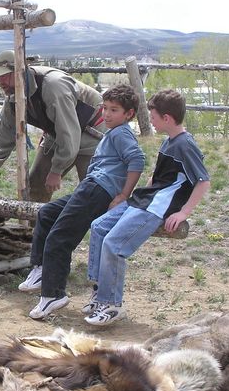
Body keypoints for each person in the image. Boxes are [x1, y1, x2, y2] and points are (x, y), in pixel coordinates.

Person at [84, 89, 210, 326]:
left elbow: (203, 181)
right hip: (143, 199)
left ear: (167, 118)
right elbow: (158, 177)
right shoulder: (169, 140)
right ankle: (100, 291)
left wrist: (183, 213)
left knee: (114, 244)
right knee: (99, 226)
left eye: (152, 115)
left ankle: (111, 304)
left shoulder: (185, 145)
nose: (149, 120)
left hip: (155, 208)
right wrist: (129, 196)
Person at [23, 84, 146, 319]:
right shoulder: (113, 132)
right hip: (91, 187)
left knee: (60, 235)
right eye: (105, 108)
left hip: (98, 189)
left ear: (129, 114)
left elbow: (137, 161)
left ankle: (53, 295)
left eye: (114, 110)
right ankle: (39, 268)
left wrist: (123, 195)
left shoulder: (121, 134)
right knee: (47, 213)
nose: (107, 114)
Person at [0, 50, 105, 202]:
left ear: (20, 71)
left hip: (93, 134)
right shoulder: (13, 98)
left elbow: (69, 133)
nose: (1, 82)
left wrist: (56, 170)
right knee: (35, 187)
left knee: (93, 192)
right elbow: (3, 137)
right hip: (57, 135)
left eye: (4, 76)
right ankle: (36, 225)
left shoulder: (54, 86)